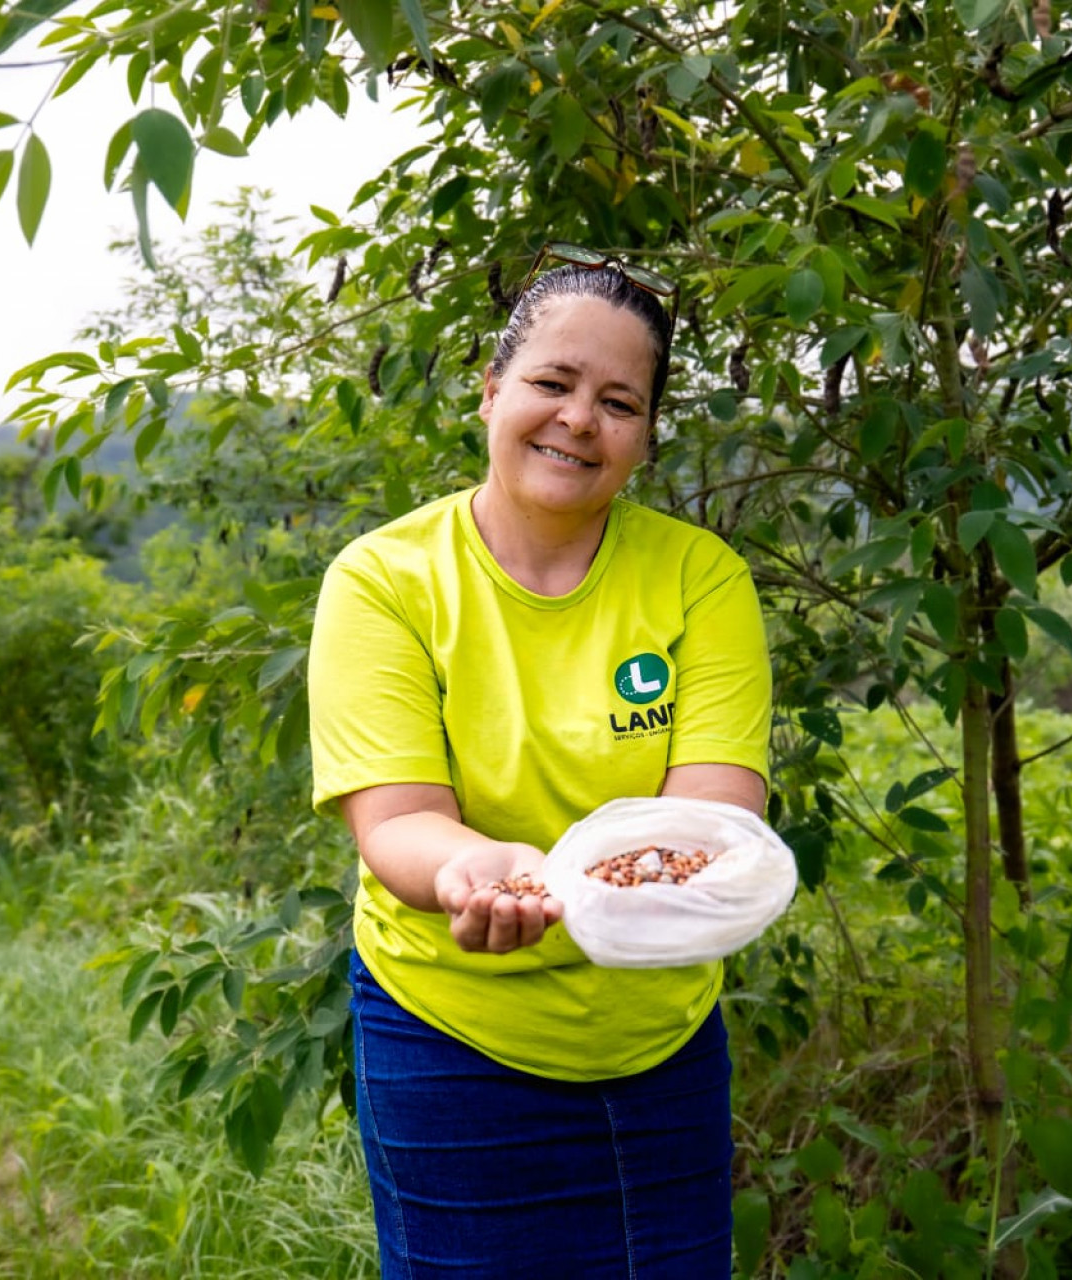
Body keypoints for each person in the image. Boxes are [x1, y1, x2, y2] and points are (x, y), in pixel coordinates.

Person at [307, 243, 773, 1279]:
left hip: (661, 1036)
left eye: (619, 401)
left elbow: (713, 814)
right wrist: (474, 866)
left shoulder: (702, 576)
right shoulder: (384, 580)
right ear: (491, 392)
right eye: (552, 382)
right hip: (451, 1035)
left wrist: (583, 879)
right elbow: (397, 819)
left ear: (646, 437)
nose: (578, 419)